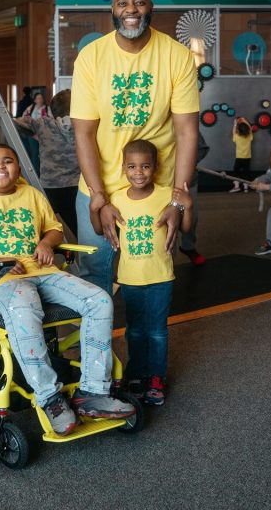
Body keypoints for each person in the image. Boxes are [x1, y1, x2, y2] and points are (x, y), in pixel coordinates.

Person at [0, 143, 135, 436]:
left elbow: (54, 229)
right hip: (2, 280)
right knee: (25, 306)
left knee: (99, 300)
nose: (0, 165)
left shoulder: (31, 195)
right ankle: (50, 398)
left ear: (18, 169)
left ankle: (92, 392)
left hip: (43, 272)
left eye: (8, 160)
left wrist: (46, 243)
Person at [72, 0, 200, 295]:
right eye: (123, 3)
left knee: (152, 276)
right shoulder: (91, 57)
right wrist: (98, 195)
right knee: (94, 275)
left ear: (150, 7)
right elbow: (84, 133)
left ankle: (146, 341)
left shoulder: (177, 55)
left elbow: (186, 132)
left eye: (139, 2)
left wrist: (177, 199)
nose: (132, 10)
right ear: (113, 10)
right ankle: (96, 344)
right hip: (99, 185)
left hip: (156, 188)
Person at [109, 140, 193, 407]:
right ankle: (136, 373)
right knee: (134, 330)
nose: (139, 172)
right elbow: (101, 227)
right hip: (130, 278)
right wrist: (96, 204)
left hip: (160, 277)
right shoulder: (117, 198)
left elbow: (187, 228)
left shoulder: (168, 195)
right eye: (132, 166)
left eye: (145, 166)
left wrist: (187, 206)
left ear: (155, 168)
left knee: (157, 331)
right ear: (123, 168)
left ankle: (156, 377)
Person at [14, 89, 80, 237]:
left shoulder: (43, 124)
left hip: (51, 185)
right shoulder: (83, 125)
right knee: (78, 226)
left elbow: (14, 123)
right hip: (78, 184)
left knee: (45, 226)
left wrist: (33, 134)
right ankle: (84, 252)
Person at [230, 117, 253, 192]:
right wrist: (245, 120)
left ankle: (237, 187)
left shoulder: (237, 136)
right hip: (247, 158)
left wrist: (235, 124)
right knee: (246, 172)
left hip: (239, 158)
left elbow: (234, 132)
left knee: (236, 172)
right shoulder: (249, 136)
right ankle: (246, 188)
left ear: (238, 130)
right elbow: (250, 128)